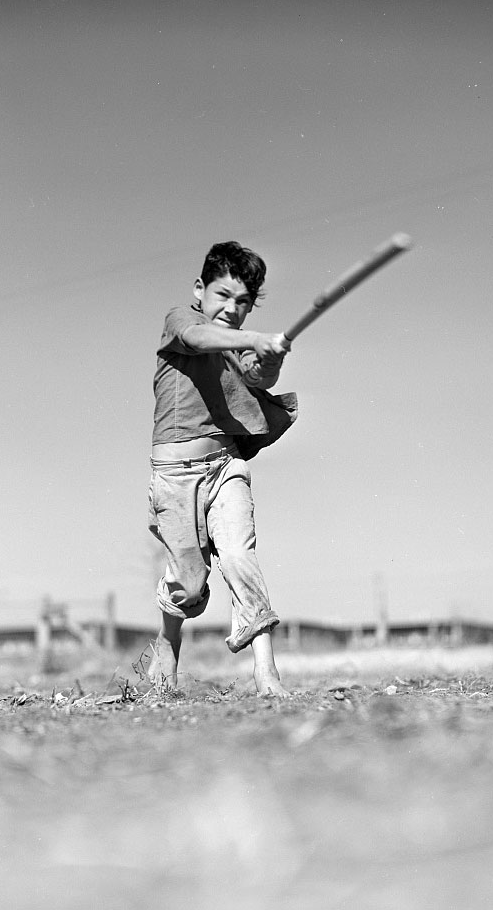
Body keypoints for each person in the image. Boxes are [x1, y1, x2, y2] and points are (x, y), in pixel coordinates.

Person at [147, 241, 298, 696]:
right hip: (175, 476)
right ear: (200, 289)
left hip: (224, 465)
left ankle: (266, 673)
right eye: (223, 296)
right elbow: (199, 339)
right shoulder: (182, 321)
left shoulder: (237, 346)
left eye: (244, 304)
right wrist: (254, 339)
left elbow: (259, 379)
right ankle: (169, 641)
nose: (232, 310)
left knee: (239, 556)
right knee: (188, 587)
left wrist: (271, 359)